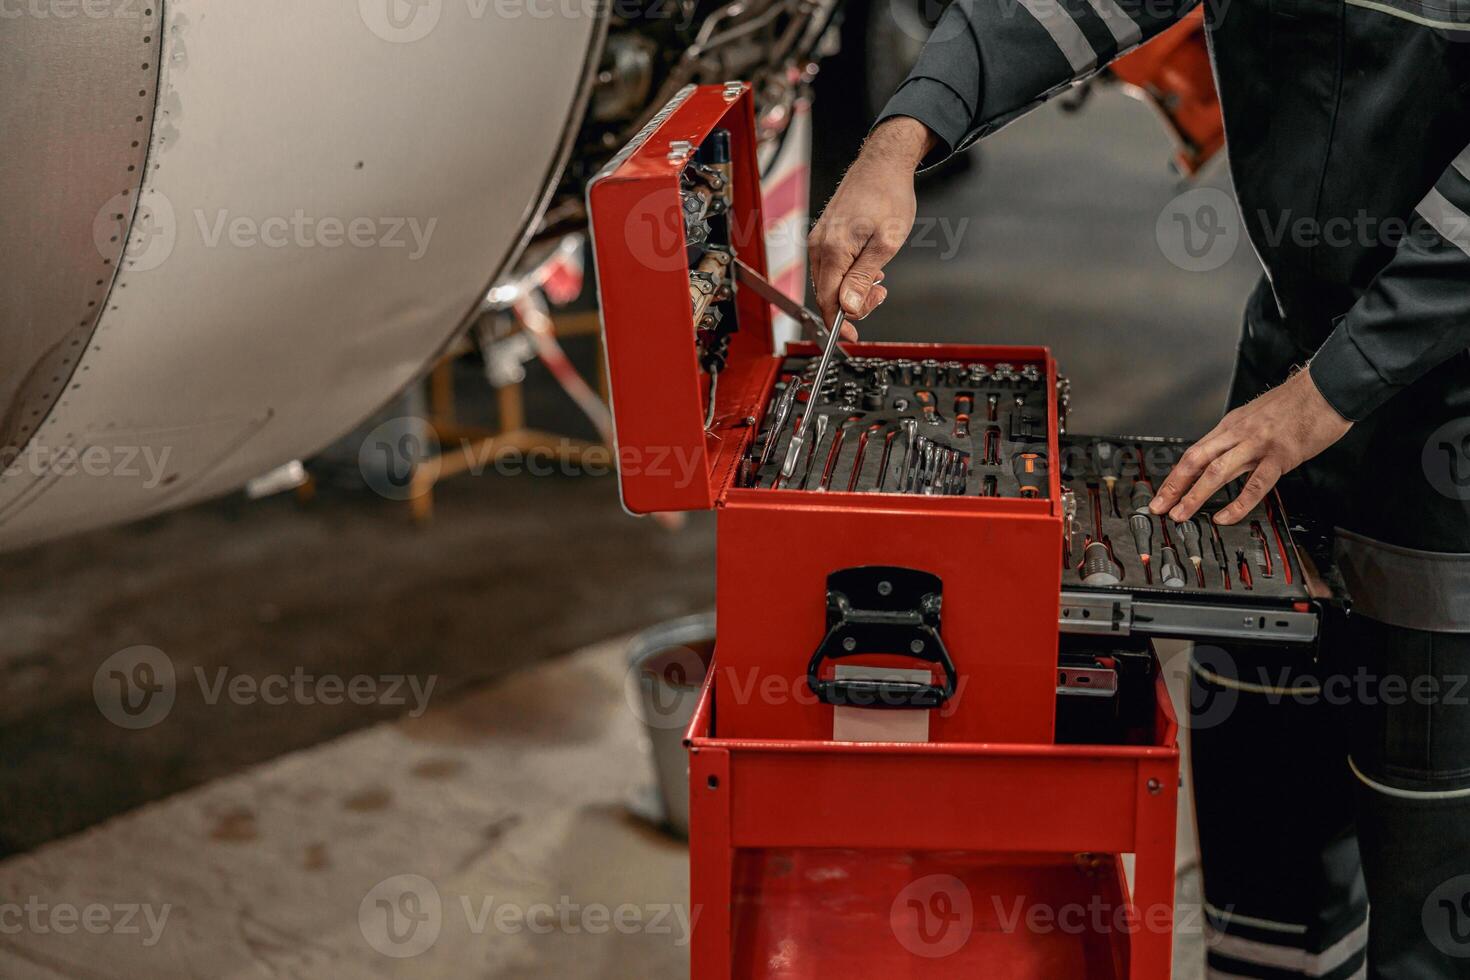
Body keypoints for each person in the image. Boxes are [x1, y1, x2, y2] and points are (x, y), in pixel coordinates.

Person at [808, 2, 1470, 975]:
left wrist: (1329, 392)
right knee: (1265, 839)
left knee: (1434, 886)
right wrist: (898, 140)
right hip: (1290, 368)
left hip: (1444, 416)